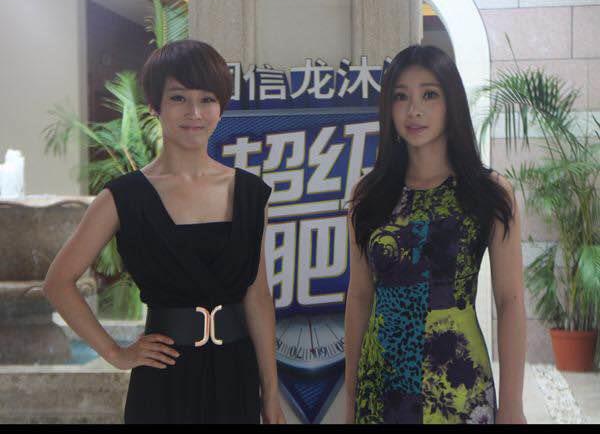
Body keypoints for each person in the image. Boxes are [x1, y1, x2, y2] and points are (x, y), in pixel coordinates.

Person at [43, 40, 285, 424]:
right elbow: (58, 282)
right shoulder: (122, 197)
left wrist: (271, 393)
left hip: (236, 376)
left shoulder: (251, 194)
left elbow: (257, 296)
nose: (194, 112)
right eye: (178, 98)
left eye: (207, 99)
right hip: (163, 381)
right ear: (155, 105)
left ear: (221, 107)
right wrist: (116, 353)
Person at [344, 45, 527, 424]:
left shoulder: (488, 192)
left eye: (429, 94)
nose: (414, 110)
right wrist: (350, 400)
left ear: (451, 102)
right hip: (382, 386)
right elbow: (359, 297)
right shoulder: (369, 195)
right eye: (401, 97)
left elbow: (509, 300)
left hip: (458, 381)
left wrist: (512, 405)